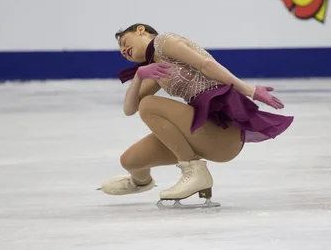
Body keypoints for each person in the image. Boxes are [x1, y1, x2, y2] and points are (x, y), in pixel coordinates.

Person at [100, 24, 294, 208]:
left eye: (125, 43)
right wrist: (140, 76)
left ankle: (193, 170)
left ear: (141, 30)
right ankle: (140, 182)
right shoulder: (156, 67)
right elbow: (129, 109)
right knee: (130, 160)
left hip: (222, 132)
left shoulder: (164, 42)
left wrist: (250, 90)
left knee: (149, 105)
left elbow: (207, 65)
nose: (124, 51)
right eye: (122, 53)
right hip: (203, 133)